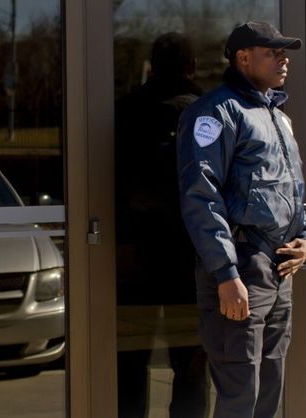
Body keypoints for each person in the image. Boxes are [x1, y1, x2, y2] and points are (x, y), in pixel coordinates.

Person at [176, 21, 306, 418]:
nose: (283, 59)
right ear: (243, 57)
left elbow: (290, 191)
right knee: (241, 392)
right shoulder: (214, 113)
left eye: (284, 52)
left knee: (269, 387)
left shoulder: (277, 116)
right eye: (272, 51)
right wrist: (225, 274)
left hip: (279, 269)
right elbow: (201, 197)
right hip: (241, 267)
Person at [115, 32, 208, 418]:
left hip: (133, 254)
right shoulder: (205, 113)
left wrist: (122, 242)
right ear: (191, 67)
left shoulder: (124, 110)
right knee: (190, 363)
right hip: (190, 253)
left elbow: (112, 182)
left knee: (130, 359)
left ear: (152, 67)